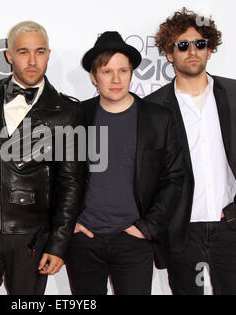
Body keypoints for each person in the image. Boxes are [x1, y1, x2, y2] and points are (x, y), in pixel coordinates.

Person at [145, 8, 236, 295]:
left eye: (200, 44)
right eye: (183, 45)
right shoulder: (153, 106)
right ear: (169, 53)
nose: (192, 51)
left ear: (210, 49)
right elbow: (148, 173)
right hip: (182, 230)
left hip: (230, 227)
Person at [0, 21, 85, 295]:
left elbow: (71, 183)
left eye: (39, 52)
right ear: (9, 56)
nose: (32, 61)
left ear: (48, 55)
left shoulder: (66, 112)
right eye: (23, 52)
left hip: (33, 237)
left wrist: (58, 244)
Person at [65, 31, 184, 295]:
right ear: (94, 77)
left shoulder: (158, 119)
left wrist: (147, 228)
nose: (116, 79)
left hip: (133, 240)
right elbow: (58, 174)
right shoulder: (77, 116)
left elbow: (175, 177)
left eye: (123, 70)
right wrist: (69, 223)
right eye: (107, 72)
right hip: (84, 241)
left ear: (132, 73)